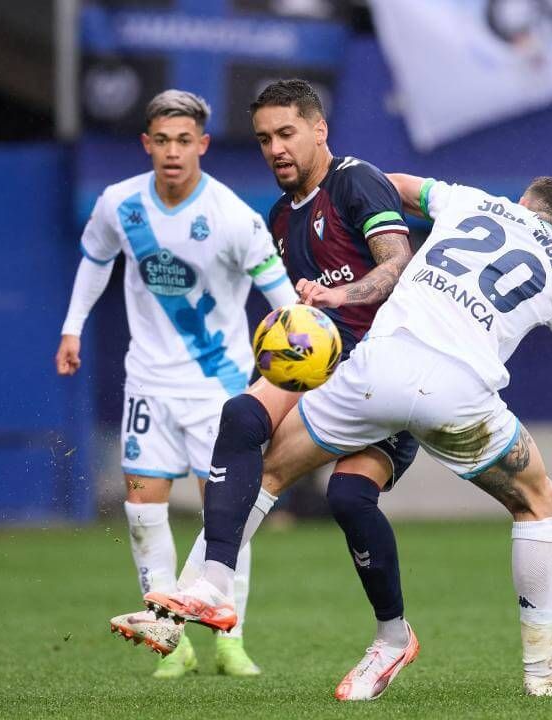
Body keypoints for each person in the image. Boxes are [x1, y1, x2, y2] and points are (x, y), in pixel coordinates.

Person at [151, 173, 552, 700]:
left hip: (376, 370)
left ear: (520, 203)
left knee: (272, 471)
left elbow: (394, 185)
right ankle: (541, 669)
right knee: (536, 499)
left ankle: (211, 584)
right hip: (457, 396)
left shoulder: (473, 202)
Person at [117, 78, 423, 679]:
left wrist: (341, 294)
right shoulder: (280, 218)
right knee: (243, 420)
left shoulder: (356, 181)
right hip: (327, 369)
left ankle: (392, 634)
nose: (276, 148)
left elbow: (397, 263)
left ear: (319, 130)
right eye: (264, 139)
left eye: (287, 133)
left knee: (349, 497)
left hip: (391, 370)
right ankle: (212, 592)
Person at [55, 89, 297, 679]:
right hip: (148, 385)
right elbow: (94, 259)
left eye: (184, 141)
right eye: (161, 140)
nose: (172, 151)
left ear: (202, 145)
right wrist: (72, 329)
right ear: (147, 143)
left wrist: (296, 368)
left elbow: (286, 303)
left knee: (226, 519)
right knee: (142, 513)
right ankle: (171, 639)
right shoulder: (120, 205)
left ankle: (230, 640)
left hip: (218, 389)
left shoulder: (234, 219)